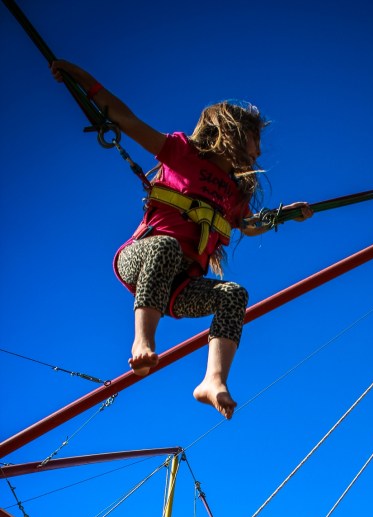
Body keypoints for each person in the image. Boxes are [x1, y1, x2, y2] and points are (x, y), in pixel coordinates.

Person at [51, 61, 312, 419]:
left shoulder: (236, 194)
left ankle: (213, 381)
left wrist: (285, 216)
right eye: (256, 140)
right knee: (166, 246)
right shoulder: (181, 153)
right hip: (138, 260)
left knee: (233, 294)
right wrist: (84, 82)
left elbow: (248, 226)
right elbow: (127, 120)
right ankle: (143, 340)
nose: (259, 153)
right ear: (234, 132)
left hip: (177, 290)